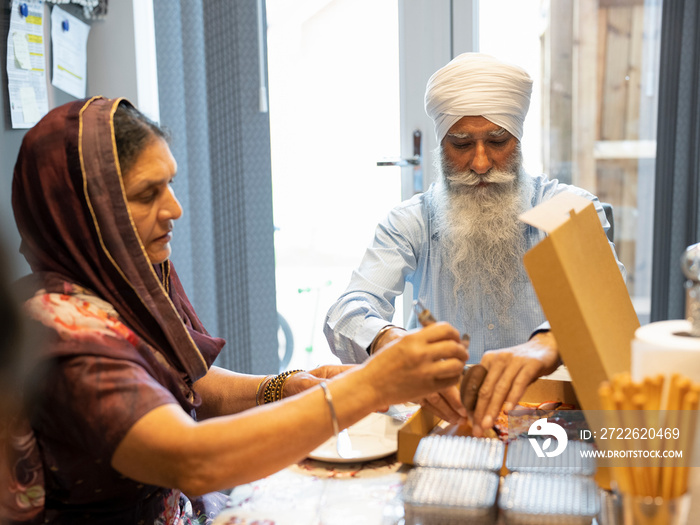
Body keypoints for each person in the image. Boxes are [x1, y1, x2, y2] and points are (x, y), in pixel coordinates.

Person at [5, 97, 468, 524]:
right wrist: (373, 384)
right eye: (148, 194)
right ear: (84, 214)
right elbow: (192, 458)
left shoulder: (120, 285)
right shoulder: (66, 343)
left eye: (170, 184)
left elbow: (188, 385)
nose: (175, 208)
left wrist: (285, 386)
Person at [324, 53, 624, 437]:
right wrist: (387, 340)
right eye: (462, 144)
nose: (481, 163)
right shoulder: (412, 221)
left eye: (497, 141)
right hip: (448, 419)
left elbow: (605, 298)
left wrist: (550, 341)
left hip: (550, 423)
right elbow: (345, 311)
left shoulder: (569, 208)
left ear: (518, 139)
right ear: (440, 147)